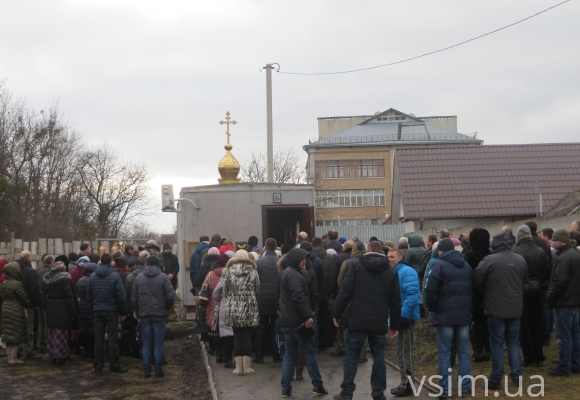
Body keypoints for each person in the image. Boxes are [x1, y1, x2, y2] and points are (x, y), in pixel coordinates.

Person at [332, 242, 401, 400]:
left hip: (357, 319)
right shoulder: (391, 271)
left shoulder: (356, 265)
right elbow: (395, 301)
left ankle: (347, 392)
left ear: (368, 250)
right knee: (378, 357)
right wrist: (395, 325)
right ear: (383, 252)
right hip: (379, 320)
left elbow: (345, 291)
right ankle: (378, 393)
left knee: (351, 357)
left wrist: (336, 313)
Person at [473, 232, 527, 389]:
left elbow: (478, 280)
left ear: (495, 244)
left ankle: (496, 379)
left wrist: (488, 291)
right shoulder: (520, 259)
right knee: (513, 342)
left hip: (495, 307)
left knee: (496, 343)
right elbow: (524, 280)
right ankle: (517, 377)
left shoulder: (488, 261)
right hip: (515, 306)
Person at [425, 238, 473, 398]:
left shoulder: (438, 265)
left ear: (440, 251)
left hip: (444, 315)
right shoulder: (466, 266)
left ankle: (445, 389)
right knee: (464, 352)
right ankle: (465, 388)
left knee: (444, 353)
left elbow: (430, 291)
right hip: (464, 315)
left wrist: (432, 309)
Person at [279, 248, 328, 398]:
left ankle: (286, 388)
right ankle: (318, 385)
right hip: (299, 322)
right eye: (302, 259)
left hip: (287, 321)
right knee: (310, 352)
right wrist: (308, 315)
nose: (305, 261)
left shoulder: (286, 273)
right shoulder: (294, 275)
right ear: (296, 259)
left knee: (289, 354)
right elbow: (299, 297)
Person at [512, 225, 549, 367]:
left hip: (522, 291)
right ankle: (539, 356)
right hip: (537, 290)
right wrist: (539, 282)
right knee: (537, 322)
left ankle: (528, 356)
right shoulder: (540, 251)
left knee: (524, 324)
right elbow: (547, 270)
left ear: (519, 236)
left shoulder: (516, 251)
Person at [132, 255, 175, 378]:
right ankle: (158, 370)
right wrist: (166, 307)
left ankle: (146, 371)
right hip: (159, 314)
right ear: (158, 265)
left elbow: (134, 298)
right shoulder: (163, 278)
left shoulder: (139, 278)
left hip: (144, 314)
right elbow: (171, 295)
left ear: (146, 264)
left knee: (146, 343)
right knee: (158, 343)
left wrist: (138, 312)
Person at [546, 229, 580, 376]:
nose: (553, 243)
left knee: (564, 336)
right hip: (575, 302)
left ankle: (564, 367)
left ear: (562, 241)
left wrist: (549, 298)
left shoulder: (564, 258)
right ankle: (575, 363)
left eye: (555, 240)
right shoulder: (576, 254)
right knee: (575, 334)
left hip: (564, 302)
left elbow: (559, 281)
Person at [87, 252, 128, 374]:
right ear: (111, 262)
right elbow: (121, 296)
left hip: (97, 311)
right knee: (112, 338)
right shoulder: (115, 276)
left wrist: (91, 310)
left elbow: (89, 296)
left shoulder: (93, 276)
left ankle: (98, 366)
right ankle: (114, 364)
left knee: (98, 339)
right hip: (111, 310)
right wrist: (123, 312)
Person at [389, 249, 420, 397]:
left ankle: (408, 384)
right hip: (398, 317)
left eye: (392, 256)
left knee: (404, 351)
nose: (389, 259)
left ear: (400, 257)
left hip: (405, 319)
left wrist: (402, 315)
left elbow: (413, 294)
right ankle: (406, 382)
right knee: (400, 351)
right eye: (388, 256)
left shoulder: (407, 272)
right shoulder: (394, 272)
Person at [223, 250, 260, 376]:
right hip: (249, 306)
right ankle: (247, 368)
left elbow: (225, 291)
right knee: (247, 336)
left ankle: (238, 368)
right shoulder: (253, 272)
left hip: (234, 307)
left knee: (237, 336)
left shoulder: (229, 272)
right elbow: (257, 289)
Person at [464, 228, 491, 362]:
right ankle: (488, 349)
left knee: (477, 323)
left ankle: (478, 350)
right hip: (491, 293)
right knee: (489, 323)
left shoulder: (471, 257)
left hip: (476, 294)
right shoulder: (491, 255)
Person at [44, 261, 78, 365]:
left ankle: (52, 354)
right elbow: (70, 298)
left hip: (51, 306)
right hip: (62, 308)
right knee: (62, 332)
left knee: (53, 331)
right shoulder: (65, 279)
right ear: (62, 268)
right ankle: (60, 355)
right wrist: (73, 314)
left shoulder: (47, 279)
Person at [254, 238, 281, 364]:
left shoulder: (259, 262)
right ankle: (276, 355)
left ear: (265, 247)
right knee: (276, 327)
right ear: (276, 247)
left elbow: (256, 281)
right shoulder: (280, 262)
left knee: (261, 327)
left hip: (261, 299)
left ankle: (259, 356)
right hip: (276, 299)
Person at [1, 262, 31, 365]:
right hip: (15, 309)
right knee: (15, 334)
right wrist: (28, 305)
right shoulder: (17, 284)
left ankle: (9, 358)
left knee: (8, 335)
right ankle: (14, 359)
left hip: (5, 308)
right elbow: (23, 298)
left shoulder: (4, 282)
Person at [16, 250, 41, 359]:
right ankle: (28, 351)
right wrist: (36, 303)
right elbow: (34, 289)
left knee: (17, 327)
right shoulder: (30, 271)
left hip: (15, 303)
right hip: (28, 304)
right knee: (28, 328)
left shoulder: (15, 270)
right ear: (28, 258)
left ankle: (17, 350)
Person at [205, 254, 229, 362]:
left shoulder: (210, 274)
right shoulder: (230, 274)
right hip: (227, 305)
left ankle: (217, 354)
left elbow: (205, 288)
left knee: (215, 331)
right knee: (226, 331)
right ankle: (226, 355)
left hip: (213, 306)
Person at [213, 269, 235, 369]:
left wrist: (220, 300)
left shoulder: (224, 277)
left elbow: (215, 293)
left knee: (227, 335)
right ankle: (238, 361)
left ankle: (228, 360)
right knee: (237, 334)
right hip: (238, 306)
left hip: (225, 307)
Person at [77, 262, 98, 359]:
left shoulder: (80, 280)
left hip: (82, 306)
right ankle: (91, 350)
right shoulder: (93, 280)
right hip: (90, 306)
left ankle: (86, 349)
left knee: (84, 328)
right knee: (92, 330)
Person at [38, 255, 54, 354]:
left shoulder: (39, 271)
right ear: (51, 262)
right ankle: (47, 345)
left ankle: (40, 345)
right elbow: (48, 286)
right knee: (47, 324)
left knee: (41, 324)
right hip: (46, 300)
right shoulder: (49, 272)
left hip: (39, 300)